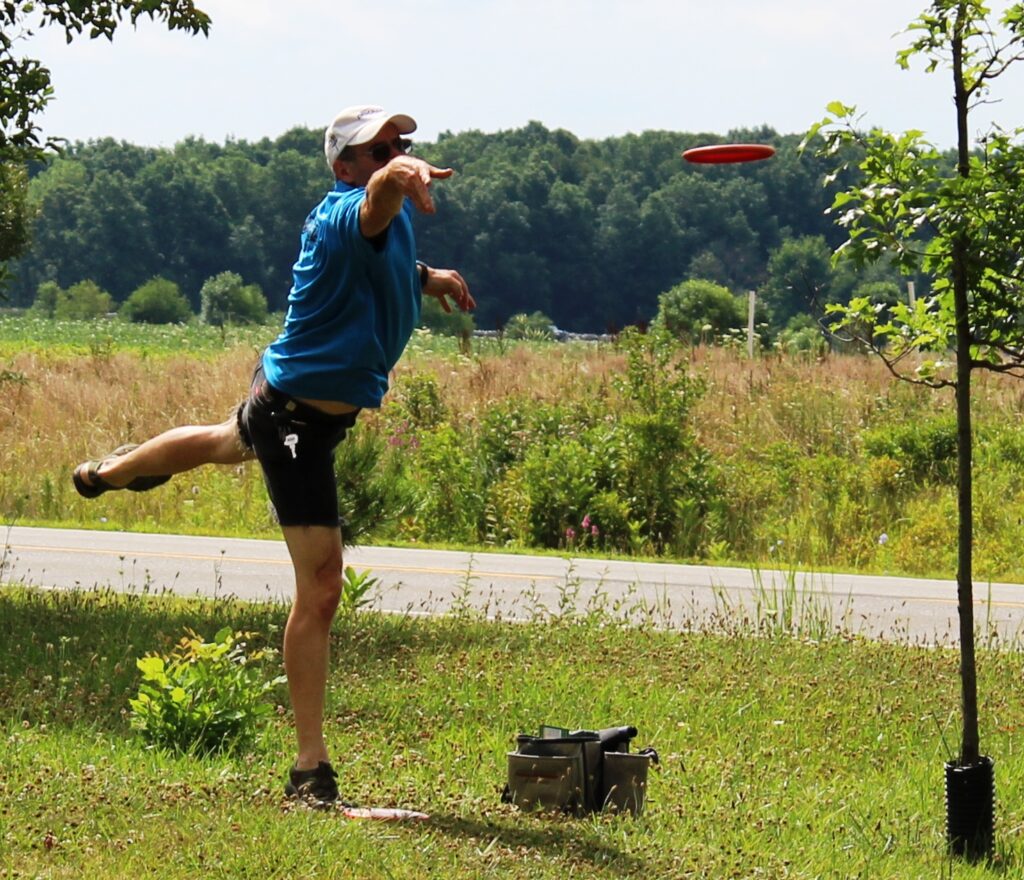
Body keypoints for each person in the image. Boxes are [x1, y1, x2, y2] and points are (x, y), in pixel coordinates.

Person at [72, 105, 475, 807]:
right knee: (321, 587)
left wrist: (428, 276)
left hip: (293, 402)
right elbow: (374, 209)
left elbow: (382, 256)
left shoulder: (371, 223)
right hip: (295, 419)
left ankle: (109, 471)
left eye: (400, 146)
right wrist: (397, 176)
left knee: (224, 440)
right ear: (345, 167)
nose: (394, 155)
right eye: (378, 150)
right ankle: (309, 771)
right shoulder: (349, 211)